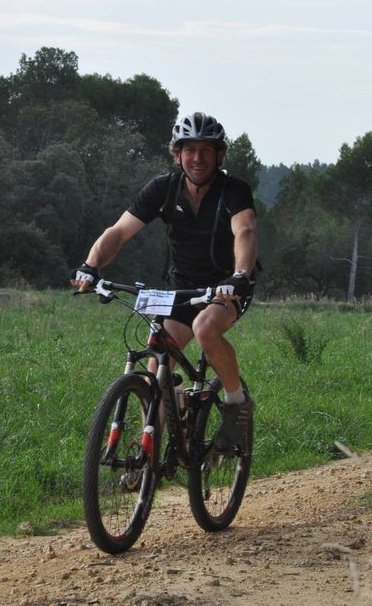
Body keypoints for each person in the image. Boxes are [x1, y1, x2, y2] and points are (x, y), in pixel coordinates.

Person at [71, 111, 257, 451]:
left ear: (220, 156)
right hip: (182, 287)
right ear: (177, 154)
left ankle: (235, 403)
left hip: (226, 286)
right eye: (190, 150)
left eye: (206, 151)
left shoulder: (234, 190)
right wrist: (90, 265)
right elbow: (119, 232)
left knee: (205, 328)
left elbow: (244, 230)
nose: (197, 158)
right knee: (157, 363)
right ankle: (150, 456)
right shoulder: (163, 188)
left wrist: (240, 275)